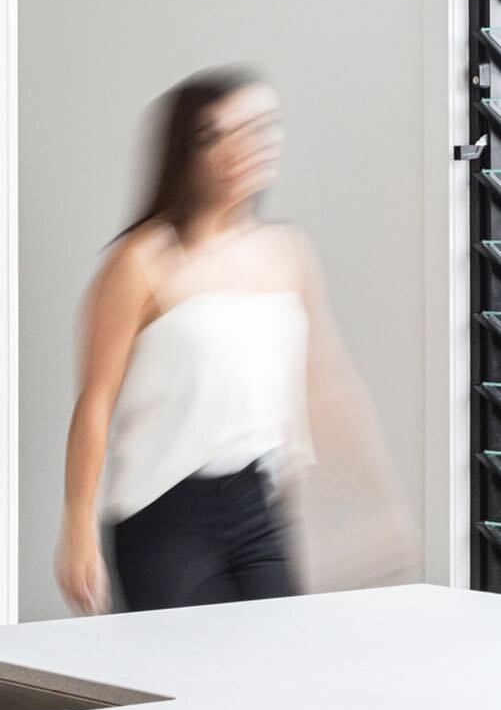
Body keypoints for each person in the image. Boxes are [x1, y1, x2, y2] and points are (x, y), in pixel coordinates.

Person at [55, 65, 409, 616]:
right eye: (225, 133)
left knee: (274, 676)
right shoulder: (142, 262)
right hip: (164, 512)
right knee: (187, 684)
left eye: (264, 127)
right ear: (190, 149)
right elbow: (95, 402)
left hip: (255, 504)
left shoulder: (287, 251)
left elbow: (327, 385)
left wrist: (377, 506)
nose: (251, 146)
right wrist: (76, 528)